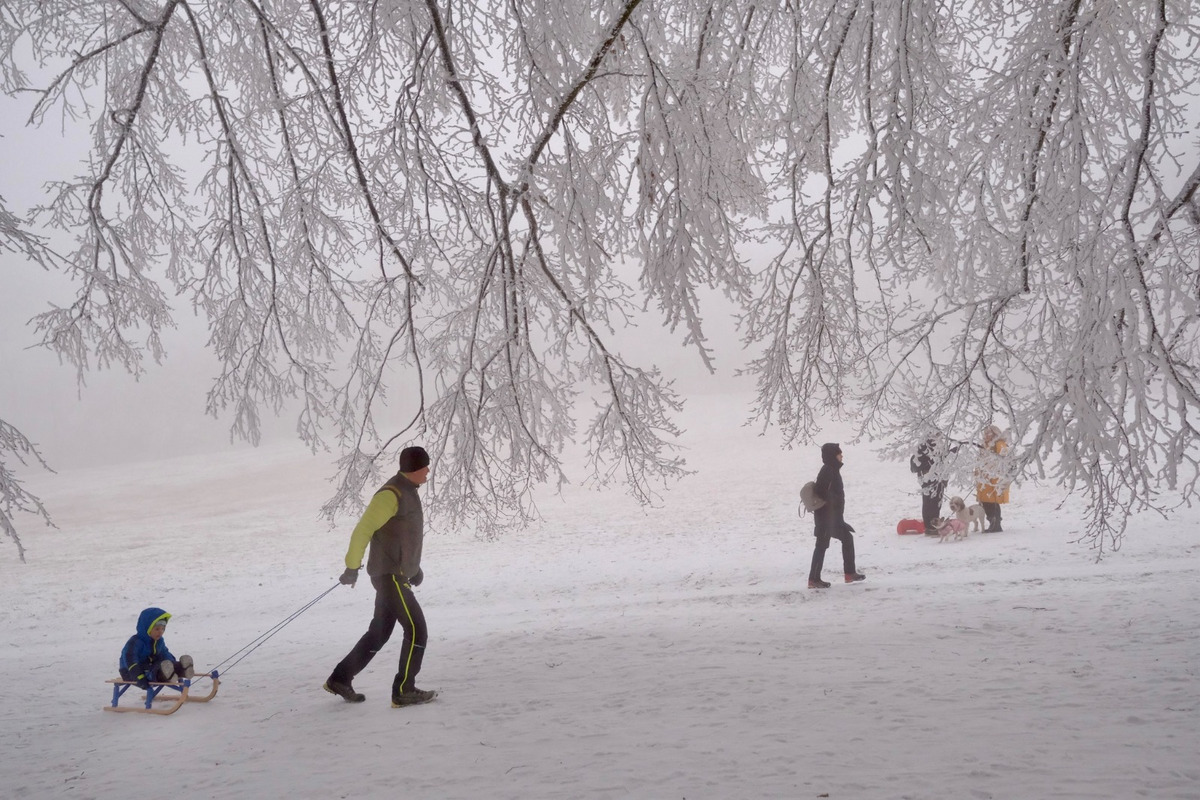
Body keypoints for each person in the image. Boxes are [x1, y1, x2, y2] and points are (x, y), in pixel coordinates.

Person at [325, 446, 437, 707]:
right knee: (417, 629)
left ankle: (340, 678)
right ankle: (404, 690)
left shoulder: (408, 492)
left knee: (378, 633)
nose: (429, 471)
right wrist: (352, 567)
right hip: (389, 577)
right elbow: (363, 531)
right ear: (415, 468)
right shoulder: (391, 494)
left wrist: (414, 569)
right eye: (426, 466)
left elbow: (401, 538)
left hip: (397, 574)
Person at [808, 442, 866, 588]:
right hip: (826, 517)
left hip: (834, 517)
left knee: (847, 537)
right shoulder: (827, 470)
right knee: (821, 546)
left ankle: (849, 573)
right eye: (839, 453)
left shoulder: (832, 469)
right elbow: (821, 491)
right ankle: (813, 579)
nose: (842, 455)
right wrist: (832, 501)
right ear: (833, 456)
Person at [119, 607, 194, 688]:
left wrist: (172, 663)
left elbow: (164, 653)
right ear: (147, 628)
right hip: (131, 672)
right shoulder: (135, 642)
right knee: (155, 671)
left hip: (150, 666)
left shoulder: (159, 641)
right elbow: (130, 660)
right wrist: (139, 676)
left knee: (162, 665)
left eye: (163, 629)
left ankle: (183, 669)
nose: (160, 632)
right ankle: (167, 673)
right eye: (157, 629)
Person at [911, 436, 948, 536]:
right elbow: (944, 462)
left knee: (927, 502)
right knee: (934, 503)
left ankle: (928, 527)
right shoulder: (937, 446)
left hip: (924, 478)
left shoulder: (921, 446)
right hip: (935, 477)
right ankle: (934, 528)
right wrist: (944, 478)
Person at [976, 425, 1010, 532]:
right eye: (985, 433)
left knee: (992, 501)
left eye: (989, 433)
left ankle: (996, 524)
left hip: (993, 479)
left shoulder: (999, 444)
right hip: (984, 479)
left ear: (995, 434)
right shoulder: (984, 445)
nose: (986, 435)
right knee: (986, 501)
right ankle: (992, 522)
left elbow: (1004, 458)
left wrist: (992, 468)